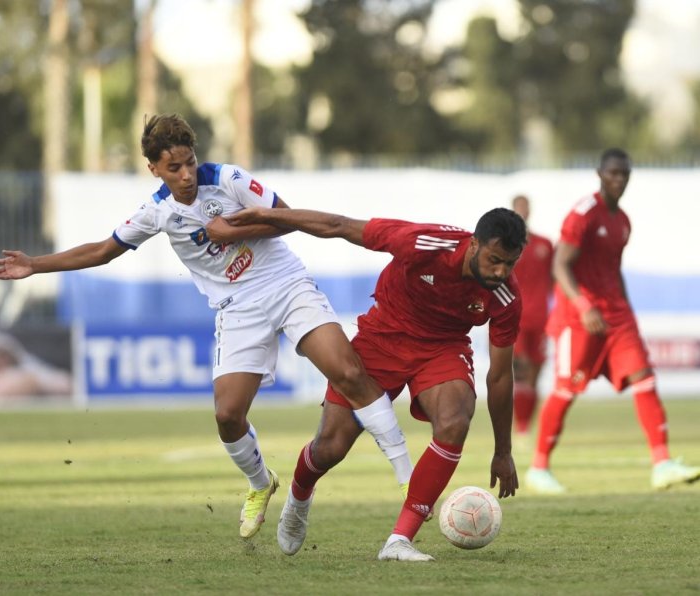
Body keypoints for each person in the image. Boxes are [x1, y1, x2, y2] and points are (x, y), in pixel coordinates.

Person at [0, 113, 413, 540]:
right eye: (174, 168)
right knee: (227, 415)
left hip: (285, 285)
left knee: (348, 370)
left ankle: (404, 471)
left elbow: (287, 216)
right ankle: (261, 483)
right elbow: (102, 250)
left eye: (190, 162)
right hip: (237, 308)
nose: (187, 174)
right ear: (153, 168)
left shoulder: (227, 179)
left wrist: (231, 229)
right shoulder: (157, 212)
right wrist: (34, 265)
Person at [224, 205, 526, 561]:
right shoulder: (424, 243)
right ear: (473, 245)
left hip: (443, 348)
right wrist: (268, 214)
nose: (501, 272)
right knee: (330, 447)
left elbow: (501, 375)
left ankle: (399, 541)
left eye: (510, 264)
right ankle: (299, 496)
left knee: (456, 419)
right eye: (494, 260)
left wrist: (503, 451)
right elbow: (339, 223)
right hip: (382, 337)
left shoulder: (506, 295)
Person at [525, 148, 700, 494]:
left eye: (624, 174)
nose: (619, 180)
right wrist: (584, 304)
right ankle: (538, 467)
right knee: (567, 388)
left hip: (617, 316)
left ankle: (662, 464)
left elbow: (613, 269)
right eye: (613, 173)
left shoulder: (623, 221)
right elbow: (560, 265)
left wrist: (627, 310)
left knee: (645, 378)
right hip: (579, 318)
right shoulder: (583, 214)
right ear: (599, 174)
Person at [510, 195, 554, 438]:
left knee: (535, 373)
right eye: (518, 208)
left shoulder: (544, 245)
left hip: (541, 319)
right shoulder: (504, 245)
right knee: (521, 371)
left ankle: (527, 423)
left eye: (526, 208)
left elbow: (556, 279)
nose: (523, 212)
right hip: (514, 320)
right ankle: (521, 426)